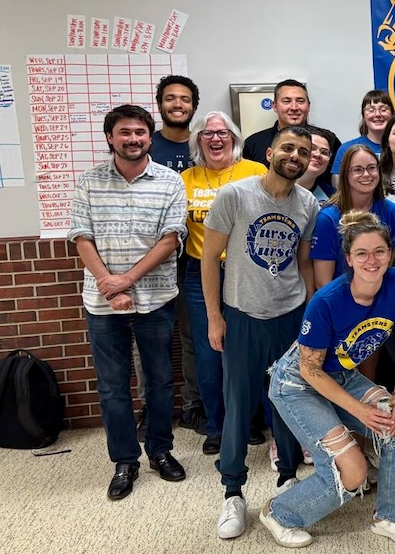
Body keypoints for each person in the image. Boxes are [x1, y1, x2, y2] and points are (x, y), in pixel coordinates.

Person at [260, 211, 395, 548]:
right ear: (348, 258)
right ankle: (280, 513)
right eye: (362, 253)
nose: (372, 260)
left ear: (390, 253)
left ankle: (391, 517)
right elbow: (310, 370)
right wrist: (361, 411)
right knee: (353, 470)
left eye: (380, 251)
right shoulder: (326, 300)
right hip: (297, 383)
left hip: (340, 375)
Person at [204, 126, 318, 540]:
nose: (295, 155)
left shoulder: (308, 203)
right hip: (243, 315)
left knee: (287, 402)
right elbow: (208, 258)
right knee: (239, 404)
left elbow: (303, 262)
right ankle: (232, 491)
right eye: (288, 147)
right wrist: (215, 317)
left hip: (289, 315)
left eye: (303, 151)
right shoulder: (235, 195)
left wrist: (309, 315)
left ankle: (287, 478)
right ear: (270, 152)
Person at [69, 104, 187, 500]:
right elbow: (82, 237)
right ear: (110, 138)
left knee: (159, 380)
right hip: (103, 303)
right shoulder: (88, 182)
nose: (133, 139)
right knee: (113, 386)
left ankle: (160, 451)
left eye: (140, 132)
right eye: (125, 132)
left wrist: (128, 281)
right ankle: (125, 460)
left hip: (155, 298)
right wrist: (109, 285)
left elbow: (171, 239)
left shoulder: (170, 181)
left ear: (149, 137)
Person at [178, 111, 267, 456]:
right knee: (208, 351)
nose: (216, 139)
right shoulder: (186, 179)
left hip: (247, 271)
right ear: (198, 141)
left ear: (234, 138)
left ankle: (249, 422)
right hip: (201, 271)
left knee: (248, 351)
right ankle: (217, 426)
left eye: (222, 133)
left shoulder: (255, 172)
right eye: (207, 134)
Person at [150, 74, 202, 435]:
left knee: (191, 337)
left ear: (194, 106)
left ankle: (193, 407)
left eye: (185, 99)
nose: (178, 105)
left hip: (193, 262)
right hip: (150, 260)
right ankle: (152, 412)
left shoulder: (202, 146)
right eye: (171, 99)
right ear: (160, 104)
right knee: (150, 339)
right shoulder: (147, 146)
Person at [312, 146, 395, 290]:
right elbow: (323, 282)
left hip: (381, 294)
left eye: (372, 168)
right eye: (357, 169)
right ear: (345, 175)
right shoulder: (328, 218)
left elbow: (390, 263)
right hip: (342, 300)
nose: (366, 174)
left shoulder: (391, 211)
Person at [243, 79, 341, 166]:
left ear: (308, 106)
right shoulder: (254, 143)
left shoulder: (328, 141)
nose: (294, 107)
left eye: (300, 101)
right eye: (287, 101)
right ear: (275, 106)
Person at [330, 90, 394, 186]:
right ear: (363, 115)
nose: (377, 114)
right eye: (371, 110)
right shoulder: (347, 149)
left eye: (383, 109)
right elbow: (338, 187)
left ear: (392, 114)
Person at [150, 75, 198, 173]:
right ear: (159, 106)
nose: (177, 105)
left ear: (194, 109)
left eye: (185, 100)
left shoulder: (206, 145)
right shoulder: (145, 145)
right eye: (169, 99)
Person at [296, 126, 336, 205]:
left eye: (324, 152)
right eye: (312, 148)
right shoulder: (274, 187)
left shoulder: (334, 197)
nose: (317, 154)